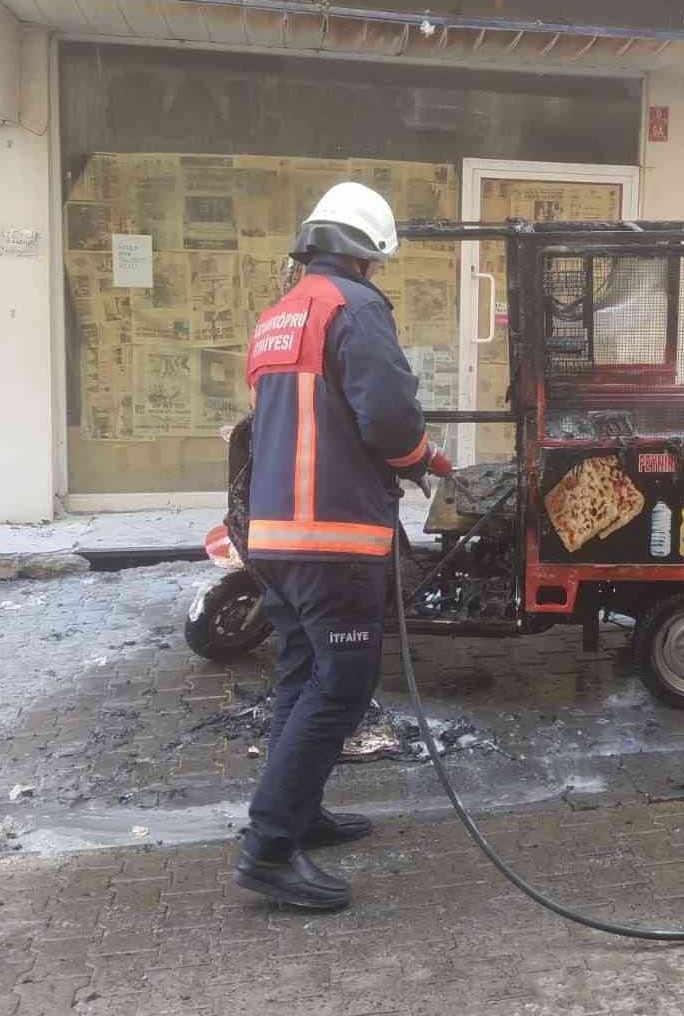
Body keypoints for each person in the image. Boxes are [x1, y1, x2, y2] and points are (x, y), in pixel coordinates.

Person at [236, 181, 449, 912]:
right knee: (343, 686)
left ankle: (300, 816)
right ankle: (268, 849)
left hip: (276, 538)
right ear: (367, 254)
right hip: (333, 537)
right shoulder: (354, 309)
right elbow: (389, 418)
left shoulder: (278, 316)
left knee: (301, 677)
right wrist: (425, 461)